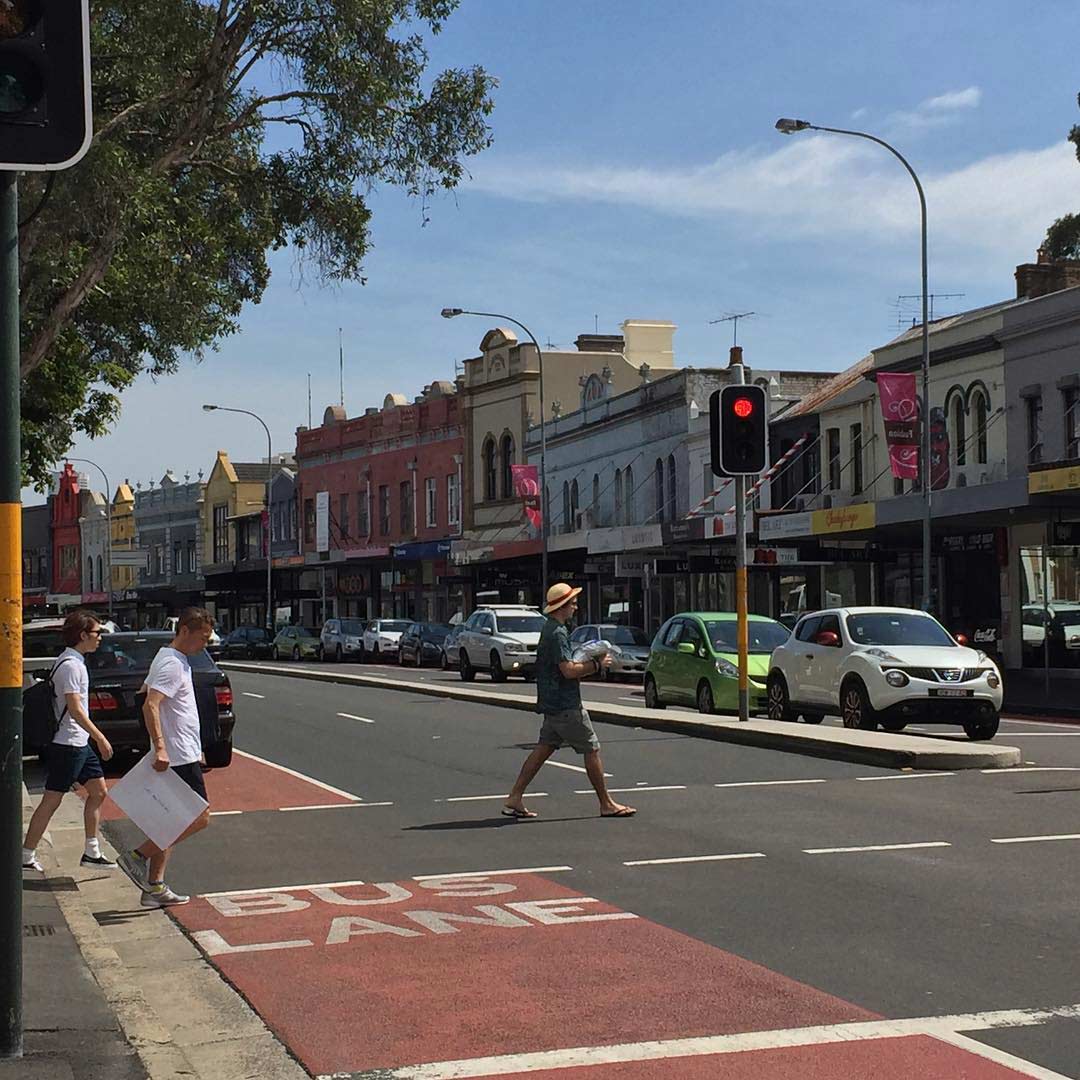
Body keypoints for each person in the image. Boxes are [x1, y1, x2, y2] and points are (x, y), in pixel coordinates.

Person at [504, 583, 636, 820]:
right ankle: (606, 803)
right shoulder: (557, 633)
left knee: (543, 749)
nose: (576, 606)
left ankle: (515, 797)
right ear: (562, 606)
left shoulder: (551, 629)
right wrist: (596, 665)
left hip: (552, 702)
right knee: (592, 748)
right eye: (572, 602)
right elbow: (568, 670)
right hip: (565, 704)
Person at [116, 607, 214, 907]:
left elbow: (147, 692)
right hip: (176, 754)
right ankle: (135, 857)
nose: (205, 645)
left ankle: (154, 887)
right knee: (199, 817)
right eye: (202, 638)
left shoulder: (173, 659)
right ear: (184, 630)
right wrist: (160, 746)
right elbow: (150, 705)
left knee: (166, 820)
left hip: (183, 750)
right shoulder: (171, 663)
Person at [22, 610, 118, 872]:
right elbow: (75, 709)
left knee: (98, 792)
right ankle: (27, 855)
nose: (100, 638)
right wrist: (100, 737)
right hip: (68, 744)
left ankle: (92, 852)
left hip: (77, 742)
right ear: (83, 635)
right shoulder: (73, 666)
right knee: (52, 800)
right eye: (97, 633)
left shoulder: (68, 660)